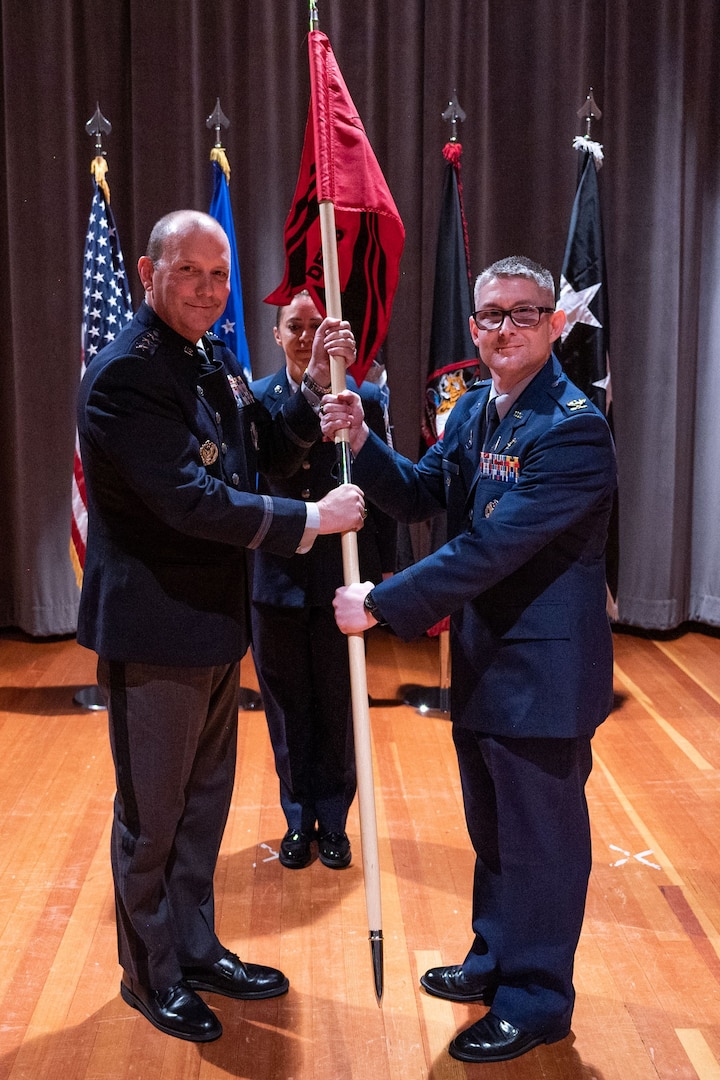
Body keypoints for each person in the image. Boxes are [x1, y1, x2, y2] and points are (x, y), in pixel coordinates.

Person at [76, 210, 365, 1044]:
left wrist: (310, 385)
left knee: (203, 809)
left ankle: (195, 948)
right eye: (190, 272)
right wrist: (309, 516)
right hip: (154, 628)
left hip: (210, 623)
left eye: (219, 275)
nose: (208, 289)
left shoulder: (209, 358)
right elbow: (188, 500)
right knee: (152, 817)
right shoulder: (126, 376)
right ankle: (151, 973)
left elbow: (263, 446)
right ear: (147, 270)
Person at [324, 255, 617, 1064]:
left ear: (555, 323)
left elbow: (492, 547)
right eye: (491, 315)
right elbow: (423, 492)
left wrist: (382, 602)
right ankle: (494, 959)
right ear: (476, 324)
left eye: (524, 314)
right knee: (494, 832)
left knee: (541, 843)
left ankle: (536, 999)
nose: (504, 329)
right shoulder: (481, 413)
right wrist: (360, 438)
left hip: (544, 678)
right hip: (489, 663)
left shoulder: (572, 429)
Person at [250, 292, 396, 870]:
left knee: (338, 703)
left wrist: (386, 572)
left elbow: (382, 487)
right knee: (286, 708)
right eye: (295, 325)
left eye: (318, 324)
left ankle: (334, 821)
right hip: (277, 578)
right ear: (275, 333)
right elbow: (272, 468)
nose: (306, 335)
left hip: (344, 577)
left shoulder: (365, 397)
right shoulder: (257, 398)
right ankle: (296, 818)